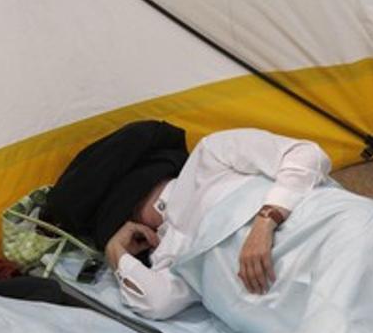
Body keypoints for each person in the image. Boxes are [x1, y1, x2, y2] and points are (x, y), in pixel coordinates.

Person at [101, 128, 330, 318]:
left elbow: (308, 155)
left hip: (324, 234)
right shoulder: (165, 255)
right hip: (299, 301)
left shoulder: (208, 156)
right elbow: (155, 302)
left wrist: (266, 221)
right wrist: (116, 251)